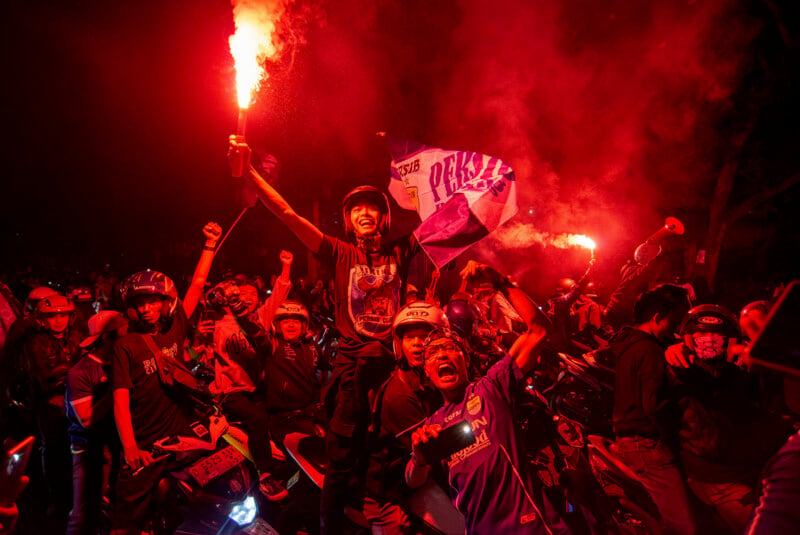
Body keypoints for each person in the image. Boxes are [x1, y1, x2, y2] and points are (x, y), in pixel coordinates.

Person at [229, 139, 420, 533]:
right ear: (348, 221)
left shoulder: (403, 253)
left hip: (391, 369)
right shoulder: (337, 252)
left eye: (373, 208)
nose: (365, 213)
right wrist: (249, 172)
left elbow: (445, 226)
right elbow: (286, 214)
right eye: (356, 209)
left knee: (400, 447)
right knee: (341, 457)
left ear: (384, 219)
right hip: (352, 370)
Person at [406, 285, 568, 534]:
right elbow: (412, 480)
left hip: (529, 527)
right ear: (427, 373)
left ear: (465, 360)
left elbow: (538, 330)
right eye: (433, 353)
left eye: (450, 349)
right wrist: (418, 457)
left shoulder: (491, 388)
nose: (442, 356)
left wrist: (500, 281)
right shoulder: (433, 425)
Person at [111, 222, 221, 534]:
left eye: (152, 301)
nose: (146, 309)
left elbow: (198, 284)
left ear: (165, 302)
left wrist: (210, 246)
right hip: (146, 444)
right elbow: (120, 401)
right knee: (126, 522)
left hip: (180, 435)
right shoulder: (126, 345)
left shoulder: (174, 327)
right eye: (139, 304)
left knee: (194, 504)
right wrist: (131, 448)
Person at [609, 284, 695, 535]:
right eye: (676, 321)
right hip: (647, 445)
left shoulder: (628, 344)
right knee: (684, 527)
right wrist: (679, 429)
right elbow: (653, 404)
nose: (678, 329)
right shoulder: (649, 349)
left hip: (629, 441)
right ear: (657, 318)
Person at [364, 301, 448, 534]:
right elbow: (434, 452)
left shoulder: (426, 378)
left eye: (425, 337)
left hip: (415, 476)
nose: (418, 344)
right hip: (389, 491)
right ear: (399, 344)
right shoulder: (399, 395)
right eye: (410, 338)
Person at [23, 293, 85, 520]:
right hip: (50, 404)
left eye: (63, 315)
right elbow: (44, 377)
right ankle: (57, 499)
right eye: (52, 316)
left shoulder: (78, 336)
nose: (59, 320)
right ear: (41, 319)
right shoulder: (34, 342)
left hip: (76, 399)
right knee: (53, 449)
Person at [66, 311, 128, 535]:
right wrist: (117, 389)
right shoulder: (80, 372)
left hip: (115, 445)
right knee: (84, 512)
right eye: (124, 333)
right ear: (108, 337)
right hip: (89, 449)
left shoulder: (122, 361)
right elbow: (86, 419)